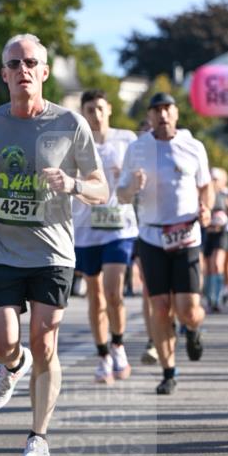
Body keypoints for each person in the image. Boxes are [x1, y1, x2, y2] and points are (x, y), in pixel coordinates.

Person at [0, 33, 108, 456]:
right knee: (2, 344)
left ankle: (38, 437)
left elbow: (101, 190)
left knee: (46, 340)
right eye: (15, 63)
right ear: (5, 74)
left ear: (44, 72)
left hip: (53, 253)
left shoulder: (70, 124)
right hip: (2, 251)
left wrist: (73, 185)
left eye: (31, 63)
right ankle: (12, 365)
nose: (23, 70)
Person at [116, 92, 213, 395]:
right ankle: (168, 371)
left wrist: (207, 207)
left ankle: (194, 329)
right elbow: (121, 194)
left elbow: (205, 185)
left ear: (176, 113)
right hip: (151, 236)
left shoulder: (193, 146)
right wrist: (132, 186)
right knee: (159, 308)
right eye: (156, 110)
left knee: (188, 310)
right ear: (151, 115)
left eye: (167, 109)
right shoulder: (137, 148)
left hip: (186, 235)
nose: (162, 115)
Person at [72, 91, 137, 383]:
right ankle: (102, 355)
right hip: (85, 230)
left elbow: (142, 178)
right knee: (95, 296)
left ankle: (118, 344)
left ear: (109, 109)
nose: (96, 114)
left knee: (113, 291)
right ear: (83, 113)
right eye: (89, 110)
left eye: (100, 108)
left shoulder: (128, 141)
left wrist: (135, 181)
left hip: (119, 227)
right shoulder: (74, 143)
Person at [202, 167, 228, 313]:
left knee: (218, 265)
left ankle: (217, 299)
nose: (213, 181)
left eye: (216, 179)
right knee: (209, 267)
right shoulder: (206, 194)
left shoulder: (225, 194)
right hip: (208, 234)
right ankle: (210, 299)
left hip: (222, 234)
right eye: (211, 177)